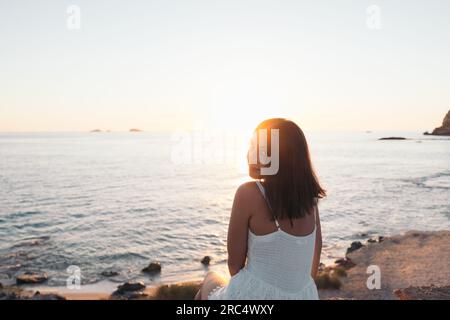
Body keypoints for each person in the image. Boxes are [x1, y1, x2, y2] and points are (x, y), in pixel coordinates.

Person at [196, 118, 326, 300]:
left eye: (252, 146)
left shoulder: (248, 193)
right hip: (304, 295)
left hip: (256, 298)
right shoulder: (310, 201)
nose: (248, 153)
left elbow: (234, 267)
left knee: (210, 279)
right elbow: (314, 257)